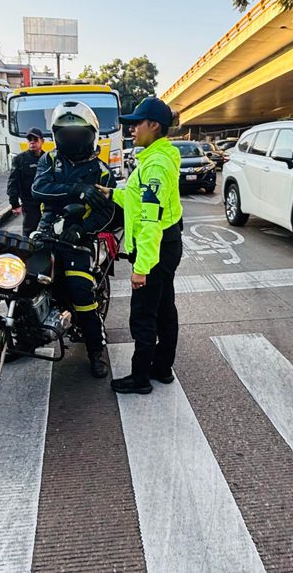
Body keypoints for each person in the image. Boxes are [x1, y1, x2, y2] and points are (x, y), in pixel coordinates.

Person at [97, 97, 182, 394]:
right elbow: (136, 200)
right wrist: (111, 194)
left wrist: (141, 268)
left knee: (144, 315)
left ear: (154, 125)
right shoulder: (157, 157)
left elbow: (149, 222)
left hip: (155, 251)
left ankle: (141, 378)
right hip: (167, 246)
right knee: (164, 309)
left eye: (137, 123)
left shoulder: (155, 166)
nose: (132, 129)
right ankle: (162, 368)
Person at [32, 102, 116, 378]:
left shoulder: (103, 171)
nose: (72, 140)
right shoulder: (49, 160)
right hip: (46, 233)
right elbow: (39, 189)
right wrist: (78, 190)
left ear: (91, 134)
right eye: (65, 134)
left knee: (82, 292)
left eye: (78, 134)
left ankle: (95, 351)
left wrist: (81, 230)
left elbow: (108, 211)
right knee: (21, 281)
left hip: (79, 240)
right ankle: (18, 337)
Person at [7, 127, 46, 236]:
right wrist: (14, 204)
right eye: (30, 139)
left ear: (42, 141)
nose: (32, 142)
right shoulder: (20, 159)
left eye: (35, 139)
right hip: (30, 204)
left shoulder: (48, 158)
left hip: (48, 203)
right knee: (29, 234)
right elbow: (13, 182)